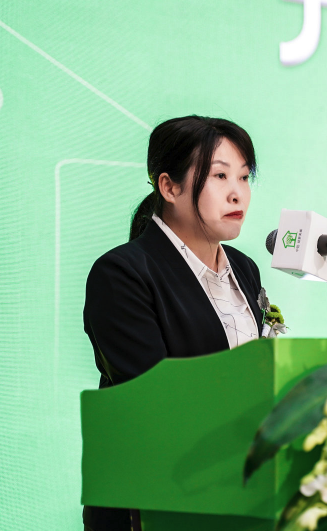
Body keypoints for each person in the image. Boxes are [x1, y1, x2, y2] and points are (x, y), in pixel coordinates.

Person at [82, 115, 267, 531]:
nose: (237, 192)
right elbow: (154, 399)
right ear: (169, 187)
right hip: (155, 503)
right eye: (220, 176)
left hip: (236, 494)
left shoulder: (245, 269)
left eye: (243, 177)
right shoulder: (123, 273)